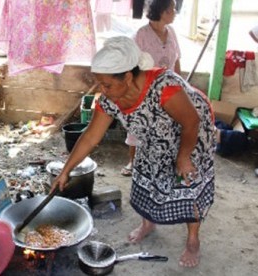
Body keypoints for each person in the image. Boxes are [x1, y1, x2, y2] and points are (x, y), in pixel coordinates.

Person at [51, 36, 215, 268]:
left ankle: (192, 240)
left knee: (188, 183)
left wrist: (183, 157)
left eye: (107, 85)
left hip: (190, 130)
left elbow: (191, 122)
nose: (103, 90)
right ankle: (148, 223)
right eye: (99, 84)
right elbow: (90, 137)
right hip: (155, 134)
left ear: (127, 76)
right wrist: (66, 170)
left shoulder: (163, 88)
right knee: (146, 172)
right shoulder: (110, 99)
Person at [121, 0, 182, 177]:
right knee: (139, 126)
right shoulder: (141, 35)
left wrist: (180, 84)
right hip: (145, 89)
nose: (175, 12)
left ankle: (163, 161)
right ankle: (133, 161)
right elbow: (133, 65)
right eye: (172, 9)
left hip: (169, 89)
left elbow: (177, 58)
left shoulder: (171, 32)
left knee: (167, 126)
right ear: (162, 12)